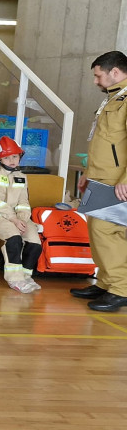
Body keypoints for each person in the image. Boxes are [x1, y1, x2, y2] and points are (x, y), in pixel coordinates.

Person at [72, 51, 127, 311]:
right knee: (97, 230)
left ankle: (121, 288)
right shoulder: (113, 98)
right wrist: (88, 173)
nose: (95, 81)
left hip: (117, 180)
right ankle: (105, 283)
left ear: (114, 71)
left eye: (98, 75)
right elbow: (104, 141)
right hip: (100, 176)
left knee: (109, 232)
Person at [0, 136, 42, 293]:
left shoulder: (21, 177)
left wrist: (22, 220)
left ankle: (26, 276)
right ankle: (15, 280)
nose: (12, 160)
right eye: (6, 157)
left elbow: (24, 201)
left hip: (15, 217)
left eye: (14, 156)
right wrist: (13, 219)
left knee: (35, 242)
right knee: (14, 238)